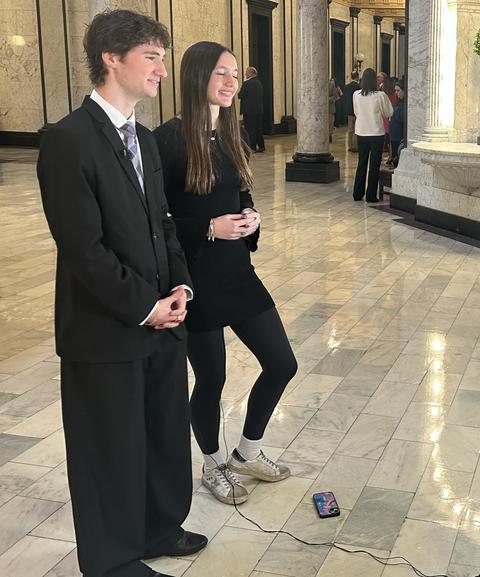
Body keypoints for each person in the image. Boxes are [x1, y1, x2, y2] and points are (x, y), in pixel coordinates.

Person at [37, 9, 206, 577]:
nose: (162, 70)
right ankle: (111, 561)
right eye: (151, 58)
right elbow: (83, 249)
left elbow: (163, 221)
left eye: (161, 57)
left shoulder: (144, 139)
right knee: (109, 448)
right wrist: (144, 306)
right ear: (112, 59)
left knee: (160, 432)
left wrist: (179, 285)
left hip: (163, 316)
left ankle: (158, 527)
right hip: (107, 328)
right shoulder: (68, 141)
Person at [154, 41, 297, 506]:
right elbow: (155, 221)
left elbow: (241, 197)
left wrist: (250, 217)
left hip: (237, 271)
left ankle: (247, 452)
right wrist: (207, 228)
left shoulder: (231, 133)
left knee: (282, 363)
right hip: (194, 279)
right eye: (221, 73)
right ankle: (213, 465)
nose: (231, 82)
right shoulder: (167, 141)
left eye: (234, 73)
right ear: (197, 77)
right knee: (211, 380)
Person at [352, 67, 393, 203]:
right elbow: (388, 113)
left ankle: (357, 193)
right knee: (374, 164)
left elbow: (356, 112)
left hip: (361, 132)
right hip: (376, 132)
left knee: (361, 162)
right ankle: (371, 195)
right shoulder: (380, 96)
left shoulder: (356, 94)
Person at [238, 66, 264, 152]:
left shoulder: (247, 83)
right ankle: (261, 146)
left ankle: (252, 147)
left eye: (247, 72)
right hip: (258, 110)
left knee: (250, 129)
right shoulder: (259, 83)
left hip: (249, 111)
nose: (245, 74)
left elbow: (240, 95)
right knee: (258, 128)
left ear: (251, 73)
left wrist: (243, 85)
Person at [388, 81, 405, 167]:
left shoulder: (404, 104)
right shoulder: (399, 102)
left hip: (399, 134)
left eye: (398, 90)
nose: (396, 93)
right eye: (395, 90)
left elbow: (401, 118)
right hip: (394, 135)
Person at [343, 70, 360, 152]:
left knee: (350, 129)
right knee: (357, 128)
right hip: (357, 109)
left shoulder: (346, 87)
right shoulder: (359, 86)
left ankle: (349, 146)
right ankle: (356, 146)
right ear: (357, 77)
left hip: (349, 109)